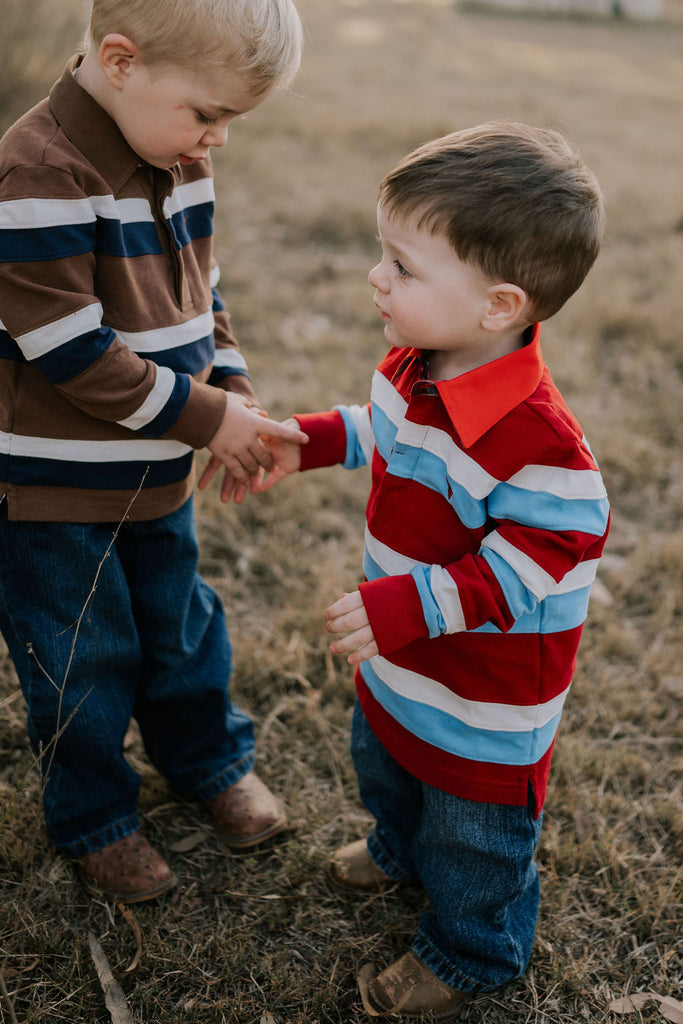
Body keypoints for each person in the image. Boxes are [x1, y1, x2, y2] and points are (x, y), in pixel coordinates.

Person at [258, 122, 610, 1019]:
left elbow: (536, 558)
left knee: (473, 836)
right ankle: (396, 848)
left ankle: (471, 950)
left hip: (483, 698)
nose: (377, 276)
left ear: (498, 305)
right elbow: (382, 425)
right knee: (385, 757)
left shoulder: (541, 447)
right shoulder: (417, 364)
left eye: (403, 266)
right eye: (383, 254)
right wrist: (313, 441)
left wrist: (410, 605)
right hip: (404, 658)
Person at [0, 0, 308, 904]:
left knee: (181, 628)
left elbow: (201, 296)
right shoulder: (37, 172)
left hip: (156, 467)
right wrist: (209, 419)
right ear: (122, 61)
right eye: (208, 114)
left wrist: (234, 389)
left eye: (228, 123)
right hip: (53, 489)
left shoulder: (176, 157)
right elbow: (68, 351)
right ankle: (96, 815)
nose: (216, 141)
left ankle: (207, 762)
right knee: (80, 657)